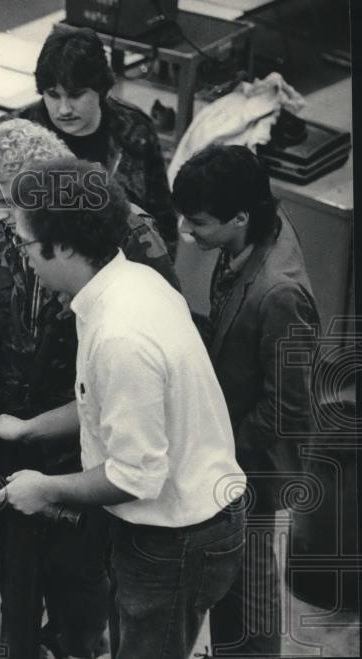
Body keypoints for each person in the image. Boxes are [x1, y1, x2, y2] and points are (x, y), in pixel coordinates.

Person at [0, 157, 247, 659]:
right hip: (166, 529)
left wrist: (45, 489)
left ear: (62, 245)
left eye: (26, 245)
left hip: (176, 541)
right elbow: (101, 405)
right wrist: (28, 430)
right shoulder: (125, 285)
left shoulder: (121, 334)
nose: (24, 259)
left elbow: (136, 476)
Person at [0, 118, 178, 658]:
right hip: (16, 428)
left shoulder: (128, 234)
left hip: (95, 440)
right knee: (19, 574)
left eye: (8, 203)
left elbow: (154, 352)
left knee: (81, 581)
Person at [173, 144, 319, 658]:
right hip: (230, 449)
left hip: (250, 466)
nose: (189, 234)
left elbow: (290, 410)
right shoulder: (251, 235)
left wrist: (218, 444)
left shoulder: (279, 294)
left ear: (239, 216)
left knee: (248, 587)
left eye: (200, 223)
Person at [14, 27, 177, 247]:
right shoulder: (16, 136)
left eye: (76, 94)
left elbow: (162, 221)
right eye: (53, 95)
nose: (64, 109)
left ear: (101, 89)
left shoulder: (135, 130)